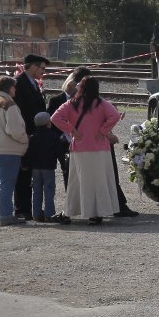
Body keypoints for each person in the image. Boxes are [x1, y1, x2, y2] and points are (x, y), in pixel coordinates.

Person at [47, 66, 132, 219]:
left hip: (79, 148)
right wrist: (103, 130)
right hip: (100, 148)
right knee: (100, 181)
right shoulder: (102, 103)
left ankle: (76, 210)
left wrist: (71, 129)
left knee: (79, 181)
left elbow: (54, 118)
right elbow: (114, 116)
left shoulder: (72, 104)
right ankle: (98, 213)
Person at [0, 75, 29, 227]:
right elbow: (14, 129)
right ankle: (5, 215)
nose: (15, 89)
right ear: (9, 88)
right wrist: (25, 140)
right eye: (14, 86)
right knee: (6, 184)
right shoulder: (9, 104)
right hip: (8, 150)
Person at [12, 53, 47, 220]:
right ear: (33, 66)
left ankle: (28, 209)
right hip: (25, 134)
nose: (43, 72)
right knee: (23, 173)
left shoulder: (32, 82)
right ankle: (21, 209)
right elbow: (21, 111)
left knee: (30, 172)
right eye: (42, 68)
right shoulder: (19, 83)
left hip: (34, 134)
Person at [25, 111, 65, 223]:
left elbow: (28, 153)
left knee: (36, 191)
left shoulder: (33, 137)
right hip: (48, 167)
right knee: (49, 191)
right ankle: (49, 214)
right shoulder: (54, 136)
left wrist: (25, 164)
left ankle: (36, 214)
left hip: (35, 168)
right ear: (48, 123)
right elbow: (59, 153)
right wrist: (63, 166)